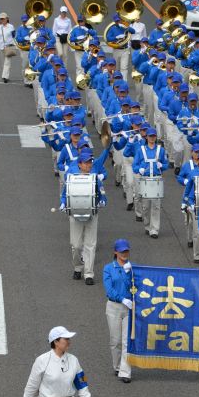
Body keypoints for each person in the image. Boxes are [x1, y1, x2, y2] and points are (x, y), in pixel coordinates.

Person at [59, 152, 107, 285]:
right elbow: (64, 193)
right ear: (79, 164)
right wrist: (63, 203)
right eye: (86, 162)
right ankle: (78, 267)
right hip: (75, 213)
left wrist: (102, 201)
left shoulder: (95, 178)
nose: (89, 165)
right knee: (76, 245)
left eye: (90, 162)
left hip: (92, 212)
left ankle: (89, 273)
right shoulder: (71, 177)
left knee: (90, 244)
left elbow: (102, 193)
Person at [102, 239, 134, 383]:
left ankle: (125, 371)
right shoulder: (108, 268)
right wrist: (122, 299)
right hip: (114, 306)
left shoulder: (132, 269)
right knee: (115, 340)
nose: (124, 253)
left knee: (127, 341)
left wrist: (129, 274)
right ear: (115, 252)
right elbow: (109, 290)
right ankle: (117, 366)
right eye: (121, 251)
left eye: (126, 251)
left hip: (129, 308)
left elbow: (134, 287)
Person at [132, 127, 169, 238]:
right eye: (150, 136)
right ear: (146, 137)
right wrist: (139, 169)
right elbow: (134, 166)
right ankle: (147, 225)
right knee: (146, 206)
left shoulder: (160, 150)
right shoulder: (141, 150)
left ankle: (154, 230)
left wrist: (162, 165)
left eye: (153, 136)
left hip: (157, 178)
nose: (152, 138)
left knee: (156, 206)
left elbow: (166, 165)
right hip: (145, 179)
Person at [0, 12, 17, 83]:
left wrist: (15, 44)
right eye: (1, 19)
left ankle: (5, 77)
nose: (2, 20)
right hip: (1, 47)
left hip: (8, 47)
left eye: (3, 18)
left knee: (7, 62)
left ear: (7, 19)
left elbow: (14, 36)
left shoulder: (11, 26)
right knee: (4, 62)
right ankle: (5, 74)